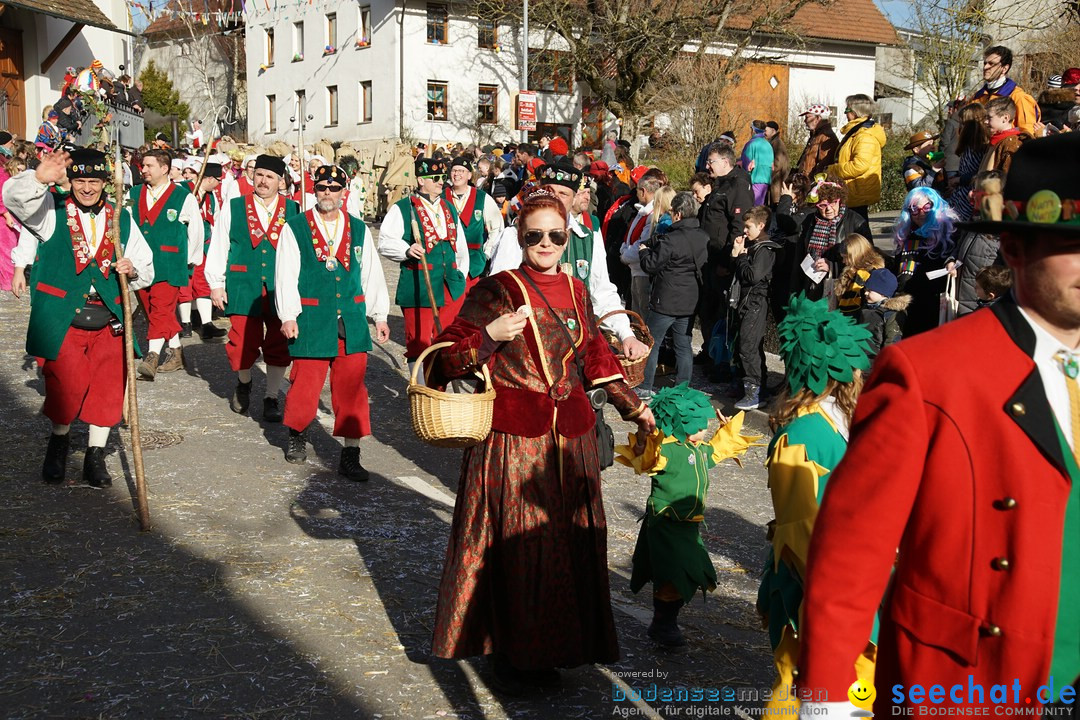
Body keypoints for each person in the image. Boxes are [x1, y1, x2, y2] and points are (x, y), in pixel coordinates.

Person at [798, 131, 1080, 717]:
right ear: (1015, 248)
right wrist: (825, 698)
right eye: (1070, 243)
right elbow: (854, 547)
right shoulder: (928, 372)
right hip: (971, 684)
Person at [428, 188, 656, 693]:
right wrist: (491, 335)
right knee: (520, 548)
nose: (547, 243)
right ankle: (514, 654)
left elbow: (595, 358)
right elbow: (441, 356)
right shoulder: (497, 289)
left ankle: (559, 648)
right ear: (521, 238)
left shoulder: (577, 290)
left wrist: (634, 407)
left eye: (557, 234)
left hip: (570, 441)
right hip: (515, 443)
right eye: (536, 236)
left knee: (568, 546)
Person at [5, 148, 155, 486]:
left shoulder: (122, 218)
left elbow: (146, 266)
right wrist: (38, 178)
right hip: (64, 317)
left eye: (94, 182)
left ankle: (95, 457)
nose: (87, 188)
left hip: (109, 318)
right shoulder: (51, 210)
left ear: (105, 183)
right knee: (65, 386)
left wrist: (131, 270)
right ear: (71, 181)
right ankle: (59, 444)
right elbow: (13, 199)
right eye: (80, 181)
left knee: (108, 387)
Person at [757, 293, 874, 716]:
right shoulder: (802, 436)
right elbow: (797, 529)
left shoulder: (848, 421)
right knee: (804, 682)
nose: (860, 371)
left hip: (856, 579)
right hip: (820, 586)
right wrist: (842, 589)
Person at [616, 385, 759, 648]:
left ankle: (665, 621)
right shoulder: (667, 450)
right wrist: (641, 438)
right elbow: (646, 459)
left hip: (689, 527)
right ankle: (663, 624)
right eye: (698, 425)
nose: (704, 430)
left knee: (690, 573)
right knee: (673, 574)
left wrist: (725, 432)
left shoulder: (698, 449)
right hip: (667, 524)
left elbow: (715, 452)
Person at [275, 165, 390, 478]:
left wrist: (379, 314)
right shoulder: (296, 227)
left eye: (334, 188)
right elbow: (285, 273)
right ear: (315, 190)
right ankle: (297, 435)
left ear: (344, 193)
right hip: (311, 318)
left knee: (352, 390)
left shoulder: (358, 228)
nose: (328, 193)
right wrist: (288, 314)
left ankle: (351, 453)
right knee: (304, 385)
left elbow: (370, 273)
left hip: (350, 320)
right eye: (323, 188)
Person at [488, 160, 651, 363]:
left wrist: (626, 334)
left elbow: (601, 292)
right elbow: (497, 294)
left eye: (563, 194)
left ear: (574, 199)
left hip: (575, 350)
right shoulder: (516, 234)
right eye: (549, 191)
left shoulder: (588, 235)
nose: (554, 198)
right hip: (528, 351)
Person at [205, 154, 301, 420]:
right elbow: (219, 245)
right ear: (252, 176)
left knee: (278, 342)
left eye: (270, 176)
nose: (263, 181)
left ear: (280, 182)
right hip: (243, 283)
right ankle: (244, 381)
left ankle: (271, 397)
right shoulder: (234, 207)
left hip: (279, 286)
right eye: (259, 174)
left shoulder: (293, 210)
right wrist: (216, 283)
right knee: (241, 342)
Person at [378, 157, 469, 368]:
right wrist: (406, 250)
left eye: (443, 178)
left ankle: (439, 389)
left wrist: (461, 275)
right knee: (419, 342)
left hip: (450, 285)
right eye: (435, 178)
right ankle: (420, 391)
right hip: (419, 284)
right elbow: (385, 241)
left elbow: (460, 246)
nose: (441, 182)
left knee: (447, 341)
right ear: (421, 180)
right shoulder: (403, 208)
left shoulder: (449, 207)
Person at [131, 148, 204, 379]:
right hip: (139, 265)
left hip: (170, 262)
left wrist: (191, 259)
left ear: (165, 169)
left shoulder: (183, 196)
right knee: (154, 312)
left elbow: (196, 230)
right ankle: (177, 353)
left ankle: (151, 357)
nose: (144, 170)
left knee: (161, 307)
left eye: (149, 166)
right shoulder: (134, 193)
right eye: (143, 166)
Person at [637, 192, 708, 395]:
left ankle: (645, 385)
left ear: (677, 214)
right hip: (689, 300)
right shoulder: (703, 237)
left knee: (652, 342)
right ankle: (682, 388)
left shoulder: (671, 239)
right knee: (684, 345)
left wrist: (643, 251)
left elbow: (651, 265)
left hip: (665, 300)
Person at [698, 144, 754, 373]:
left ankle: (722, 363)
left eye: (711, 162)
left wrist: (727, 263)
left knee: (722, 315)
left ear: (725, 162)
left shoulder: (737, 185)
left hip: (722, 260)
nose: (707, 166)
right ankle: (710, 354)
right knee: (707, 311)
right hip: (709, 257)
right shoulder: (720, 185)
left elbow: (738, 226)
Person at [729, 205, 781, 411]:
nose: (745, 231)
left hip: (756, 303)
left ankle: (755, 390)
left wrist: (741, 257)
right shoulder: (754, 246)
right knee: (748, 344)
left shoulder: (765, 250)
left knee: (748, 345)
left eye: (749, 227)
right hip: (746, 301)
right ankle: (752, 386)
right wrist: (736, 254)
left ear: (761, 225)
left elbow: (752, 276)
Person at [788, 176, 872, 300]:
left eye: (833, 203)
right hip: (812, 288)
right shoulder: (809, 221)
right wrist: (794, 295)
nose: (829, 209)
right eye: (822, 205)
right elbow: (798, 259)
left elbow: (868, 261)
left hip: (843, 291)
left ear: (840, 200)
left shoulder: (856, 222)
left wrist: (833, 267)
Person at [892, 187, 956, 336]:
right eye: (914, 208)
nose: (921, 213)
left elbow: (956, 253)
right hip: (909, 304)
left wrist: (950, 260)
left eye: (927, 207)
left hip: (935, 303)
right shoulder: (907, 235)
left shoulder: (949, 231)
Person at [176, 161, 226, 341]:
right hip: (185, 244)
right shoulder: (183, 190)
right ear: (210, 178)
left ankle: (206, 324)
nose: (220, 184)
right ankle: (186, 323)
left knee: (203, 283)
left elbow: (216, 220)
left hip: (204, 245)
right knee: (185, 285)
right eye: (219, 180)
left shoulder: (212, 197)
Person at [826, 94, 885, 228]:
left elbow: (860, 165)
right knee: (853, 233)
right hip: (851, 190)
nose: (845, 114)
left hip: (857, 191)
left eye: (847, 110)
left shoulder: (865, 136)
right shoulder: (856, 133)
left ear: (856, 112)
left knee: (859, 233)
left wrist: (833, 170)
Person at [443, 157, 503, 286]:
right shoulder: (441, 197)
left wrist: (487, 252)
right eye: (454, 170)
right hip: (447, 260)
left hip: (473, 262)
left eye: (461, 171)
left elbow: (496, 228)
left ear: (469, 175)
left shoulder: (482, 198)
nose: (457, 174)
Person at [619, 176, 664, 317]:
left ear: (643, 191)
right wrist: (624, 249)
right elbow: (630, 236)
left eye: (637, 190)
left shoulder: (652, 214)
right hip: (635, 269)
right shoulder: (643, 212)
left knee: (641, 314)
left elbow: (643, 242)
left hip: (642, 270)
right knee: (635, 311)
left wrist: (625, 256)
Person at [971, 45, 1040, 136]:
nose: (985, 67)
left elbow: (1027, 135)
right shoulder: (977, 97)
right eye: (985, 63)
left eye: (991, 64)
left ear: (1004, 68)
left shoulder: (1019, 97)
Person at [857, 268, 909, 362]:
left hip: (876, 361)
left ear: (883, 294)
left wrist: (886, 362)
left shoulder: (891, 314)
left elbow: (892, 340)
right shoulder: (866, 308)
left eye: (870, 290)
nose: (865, 293)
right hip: (861, 357)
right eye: (866, 289)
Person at [833, 233, 885, 316]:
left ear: (855, 255)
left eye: (846, 257)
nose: (843, 261)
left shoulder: (871, 274)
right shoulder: (850, 272)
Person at [980, 97, 1032, 176]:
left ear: (1005, 118)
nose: (985, 121)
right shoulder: (995, 140)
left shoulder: (1012, 144)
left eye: (989, 117)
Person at [795, 104, 839, 178]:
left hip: (812, 184)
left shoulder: (826, 137)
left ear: (818, 118)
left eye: (807, 117)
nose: (805, 121)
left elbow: (824, 167)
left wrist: (813, 185)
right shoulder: (817, 135)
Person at [741, 120, 775, 206]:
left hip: (754, 178)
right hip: (766, 180)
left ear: (753, 130)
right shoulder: (768, 145)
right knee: (760, 205)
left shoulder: (751, 144)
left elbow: (746, 164)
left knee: (753, 207)